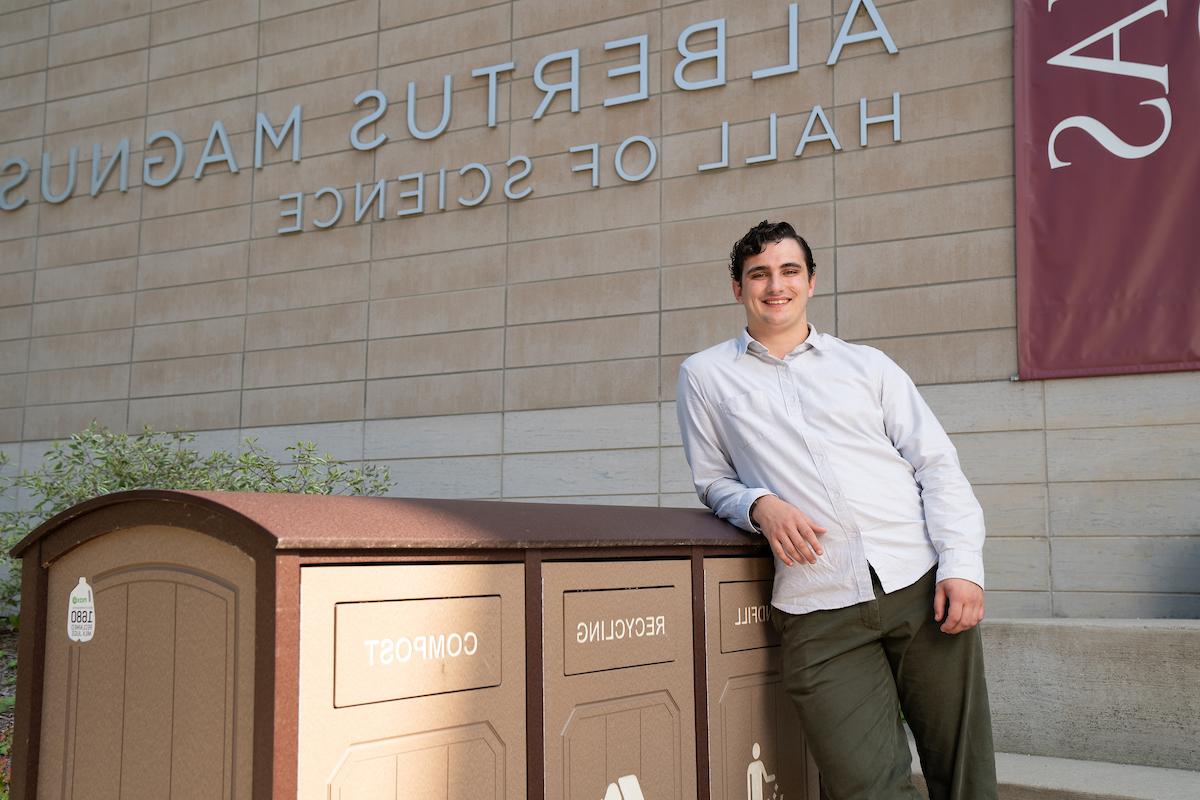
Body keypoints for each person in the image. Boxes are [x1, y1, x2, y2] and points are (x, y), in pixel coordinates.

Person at [676, 220, 997, 800]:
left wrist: (961, 564)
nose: (776, 285)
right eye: (759, 274)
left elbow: (936, 465)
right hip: (816, 604)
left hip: (920, 583)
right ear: (737, 287)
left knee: (965, 773)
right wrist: (759, 504)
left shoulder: (867, 366)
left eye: (789, 271)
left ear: (811, 281)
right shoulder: (704, 375)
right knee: (864, 786)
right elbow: (711, 480)